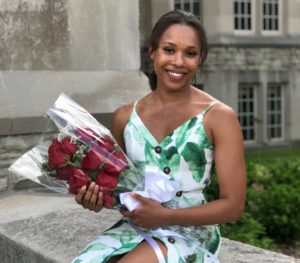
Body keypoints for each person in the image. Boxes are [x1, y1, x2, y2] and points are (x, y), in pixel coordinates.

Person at [72, 9, 246, 263]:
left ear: (200, 59)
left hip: (191, 233)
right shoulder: (124, 117)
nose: (178, 61)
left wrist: (165, 217)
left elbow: (233, 206)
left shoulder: (218, 117)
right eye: (169, 49)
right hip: (134, 228)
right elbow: (119, 189)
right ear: (152, 51)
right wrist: (93, 198)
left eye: (190, 53)